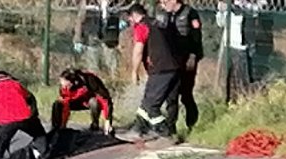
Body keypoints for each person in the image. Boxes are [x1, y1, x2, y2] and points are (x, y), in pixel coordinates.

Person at [126, 3, 182, 140]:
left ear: (134, 16)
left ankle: (165, 133)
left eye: (130, 20)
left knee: (152, 106)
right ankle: (138, 128)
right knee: (147, 101)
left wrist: (134, 71)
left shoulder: (142, 27)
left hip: (161, 69)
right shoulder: (156, 23)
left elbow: (138, 51)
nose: (129, 23)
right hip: (172, 67)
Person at [159, 0, 203, 134]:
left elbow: (196, 36)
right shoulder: (166, 14)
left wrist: (193, 55)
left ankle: (192, 124)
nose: (163, 3)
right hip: (172, 60)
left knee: (185, 94)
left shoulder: (190, 13)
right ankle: (170, 128)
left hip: (187, 59)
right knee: (171, 95)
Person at [216, 0, 262, 100]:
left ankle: (242, 102)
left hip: (243, 45)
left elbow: (257, 10)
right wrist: (223, 11)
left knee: (242, 80)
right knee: (226, 79)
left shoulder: (249, 4)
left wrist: (240, 6)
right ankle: (226, 101)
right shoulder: (227, 4)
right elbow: (220, 23)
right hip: (228, 43)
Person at [51, 68, 114, 135]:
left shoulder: (90, 80)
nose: (62, 85)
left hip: (88, 102)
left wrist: (108, 122)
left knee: (94, 102)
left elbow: (105, 99)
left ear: (73, 82)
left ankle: (95, 125)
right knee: (58, 104)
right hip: (73, 101)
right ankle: (58, 128)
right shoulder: (63, 87)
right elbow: (64, 100)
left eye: (65, 83)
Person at [74, 0, 125, 78]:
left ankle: (114, 85)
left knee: (113, 66)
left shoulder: (115, 2)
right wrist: (78, 40)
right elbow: (80, 20)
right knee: (93, 68)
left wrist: (124, 21)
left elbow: (126, 12)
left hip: (110, 38)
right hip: (92, 38)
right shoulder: (88, 2)